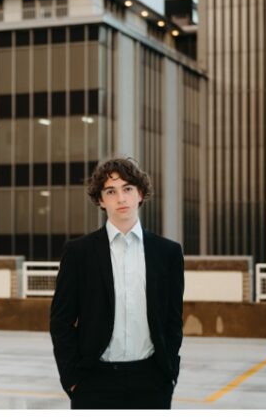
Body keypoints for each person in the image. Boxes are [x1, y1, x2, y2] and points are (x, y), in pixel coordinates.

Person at [49, 157, 184, 409]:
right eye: (111, 191)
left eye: (128, 189)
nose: (121, 198)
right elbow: (61, 321)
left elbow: (173, 320)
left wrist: (169, 374)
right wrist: (72, 379)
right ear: (101, 200)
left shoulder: (168, 253)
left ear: (140, 194)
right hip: (93, 381)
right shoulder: (79, 252)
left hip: (152, 381)